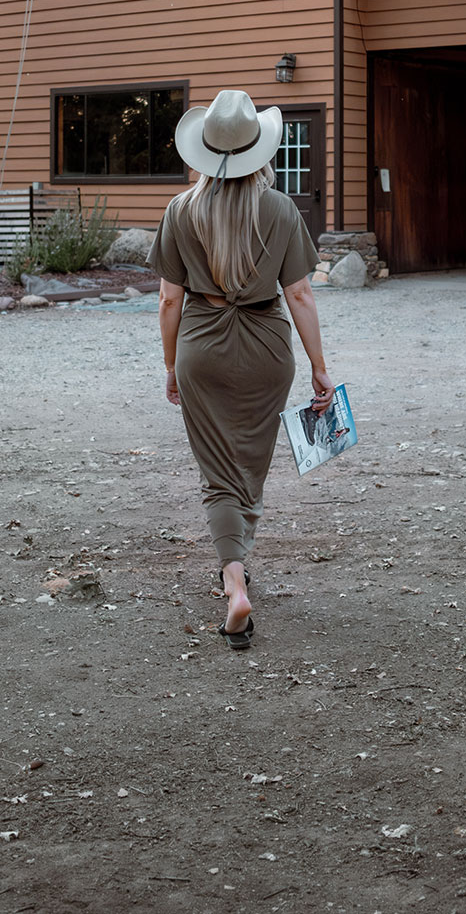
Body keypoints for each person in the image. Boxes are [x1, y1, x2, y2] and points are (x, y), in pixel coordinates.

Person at [148, 89, 335, 650]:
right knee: (249, 467)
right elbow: (299, 294)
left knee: (217, 475)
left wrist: (172, 366)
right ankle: (238, 570)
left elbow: (167, 302)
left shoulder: (180, 211)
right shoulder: (280, 209)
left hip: (201, 347)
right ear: (259, 150)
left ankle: (234, 583)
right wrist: (320, 369)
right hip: (267, 350)